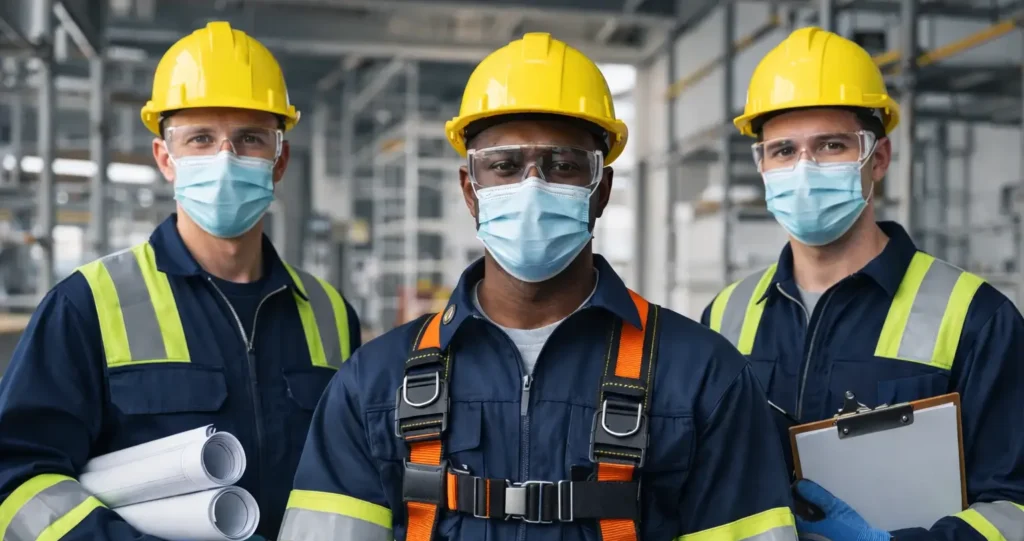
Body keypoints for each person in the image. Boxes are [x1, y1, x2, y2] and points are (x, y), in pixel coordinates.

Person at [279, 32, 797, 541]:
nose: (532, 186)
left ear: (602, 189)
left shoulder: (702, 378)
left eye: (563, 165)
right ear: (470, 189)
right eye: (504, 166)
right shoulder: (371, 384)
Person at [0, 21, 361, 541]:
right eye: (200, 139)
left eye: (250, 139)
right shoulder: (87, 305)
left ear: (279, 160)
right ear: (165, 158)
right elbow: (18, 479)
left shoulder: (329, 314)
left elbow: (352, 481)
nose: (225, 159)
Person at [702, 26, 1024, 541]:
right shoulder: (724, 314)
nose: (804, 168)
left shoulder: (976, 317)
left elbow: (1014, 507)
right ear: (762, 165)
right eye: (783, 150)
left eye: (831, 145)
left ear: (878, 158)